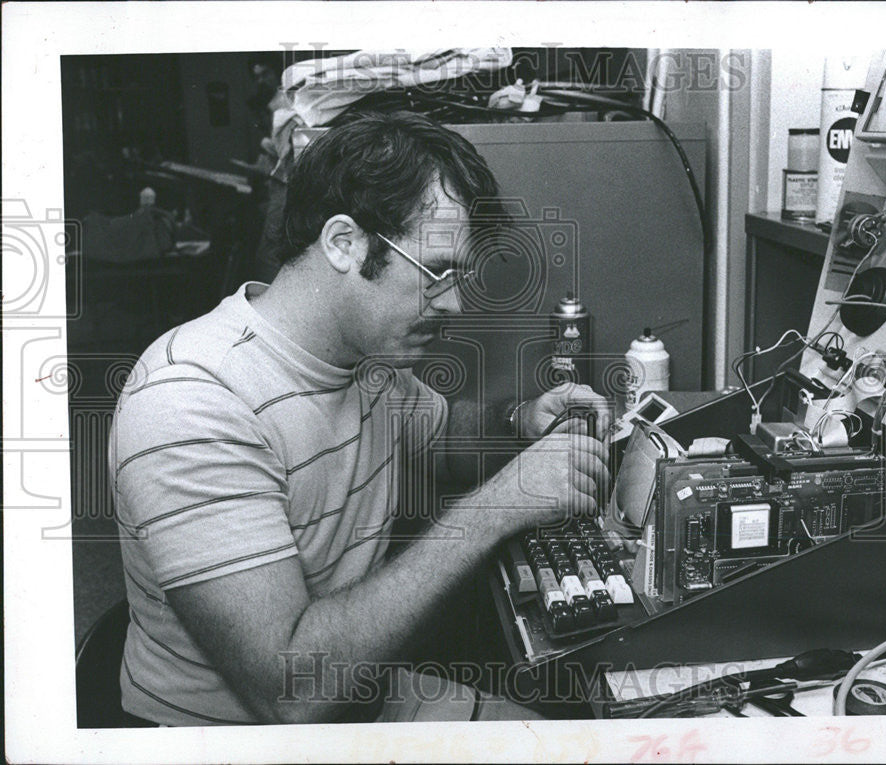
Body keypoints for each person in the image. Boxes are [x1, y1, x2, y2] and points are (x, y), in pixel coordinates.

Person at [110, 109, 611, 726]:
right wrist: (495, 509)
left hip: (358, 693)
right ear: (344, 243)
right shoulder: (192, 400)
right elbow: (291, 692)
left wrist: (520, 420)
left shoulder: (365, 362)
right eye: (438, 271)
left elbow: (439, 433)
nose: (452, 302)